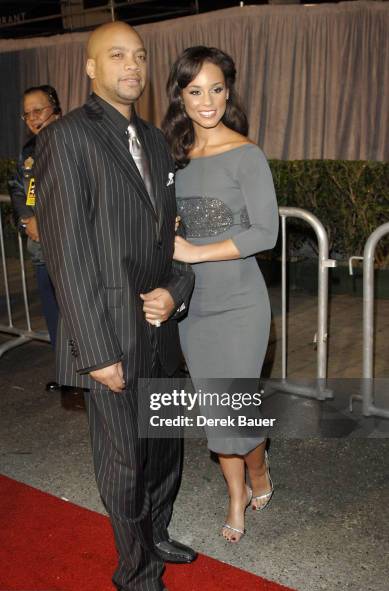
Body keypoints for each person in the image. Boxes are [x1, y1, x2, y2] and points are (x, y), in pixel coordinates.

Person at [35, 22, 195, 591]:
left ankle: (155, 536)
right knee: (124, 461)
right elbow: (67, 252)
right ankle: (137, 577)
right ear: (90, 67)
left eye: (141, 55)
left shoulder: (156, 142)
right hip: (110, 336)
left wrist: (176, 289)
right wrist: (96, 351)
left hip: (161, 329)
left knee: (164, 446)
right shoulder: (67, 138)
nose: (133, 65)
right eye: (117, 55)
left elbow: (174, 241)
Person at [162, 46, 279, 543]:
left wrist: (193, 252)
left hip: (240, 305)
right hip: (195, 308)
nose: (206, 101)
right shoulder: (175, 156)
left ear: (228, 92)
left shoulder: (246, 153)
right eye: (194, 91)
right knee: (215, 410)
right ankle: (237, 492)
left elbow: (265, 234)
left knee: (232, 408)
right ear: (180, 97)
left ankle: (257, 473)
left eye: (215, 89)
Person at [8, 85, 62, 391]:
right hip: (40, 249)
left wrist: (48, 218)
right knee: (53, 313)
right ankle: (67, 373)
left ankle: (91, 374)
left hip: (71, 248)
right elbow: (18, 189)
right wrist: (27, 219)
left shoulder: (73, 140)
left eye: (38, 110)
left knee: (78, 313)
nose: (32, 118)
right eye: (27, 113)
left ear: (55, 107)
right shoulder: (29, 150)